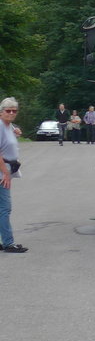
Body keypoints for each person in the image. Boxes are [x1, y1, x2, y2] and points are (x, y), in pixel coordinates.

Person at [1, 97, 27, 253]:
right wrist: (5, 173)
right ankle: (8, 243)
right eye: (8, 110)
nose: (11, 113)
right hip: (2, 171)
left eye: (14, 111)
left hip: (6, 170)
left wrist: (15, 133)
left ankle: (4, 240)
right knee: (5, 208)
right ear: (1, 111)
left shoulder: (8, 125)